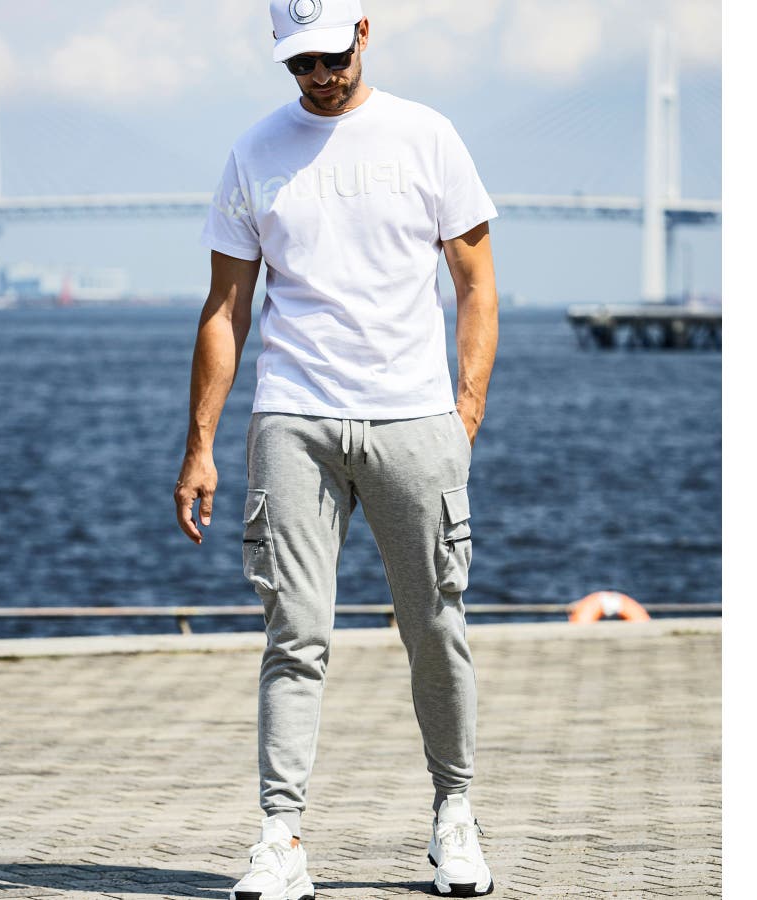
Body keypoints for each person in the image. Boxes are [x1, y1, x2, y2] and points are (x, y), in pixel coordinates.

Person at [175, 1, 499, 897]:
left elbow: (475, 282)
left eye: (329, 57)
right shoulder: (254, 152)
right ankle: (280, 837)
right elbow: (225, 309)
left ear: (362, 30)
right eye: (299, 64)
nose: (319, 77)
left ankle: (455, 814)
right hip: (294, 418)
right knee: (294, 633)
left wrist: (464, 411)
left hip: (413, 421)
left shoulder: (427, 137)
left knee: (434, 626)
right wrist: (199, 445)